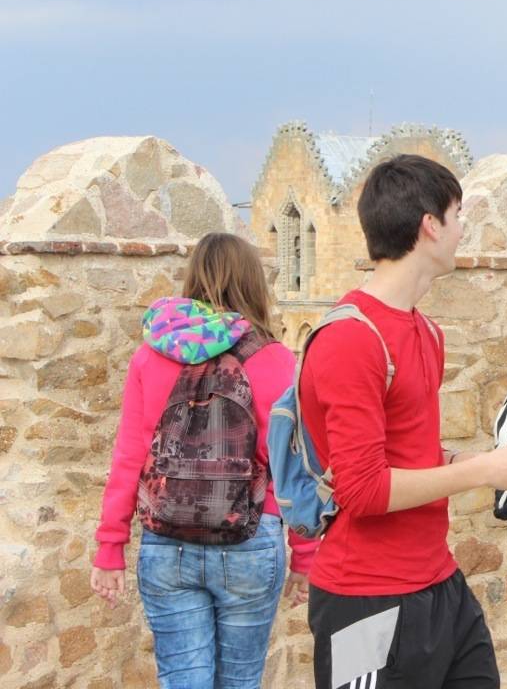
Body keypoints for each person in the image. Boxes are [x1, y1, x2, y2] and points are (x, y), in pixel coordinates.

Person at [299, 154, 507, 689]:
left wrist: (488, 462)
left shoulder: (427, 333)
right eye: (458, 214)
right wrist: (483, 471)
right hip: (363, 599)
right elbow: (364, 490)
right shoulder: (351, 340)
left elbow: (409, 453)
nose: (463, 228)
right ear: (430, 226)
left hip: (439, 585)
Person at [91, 232, 318, 687]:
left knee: (182, 679)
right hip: (251, 540)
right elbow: (293, 464)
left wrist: (110, 546)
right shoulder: (273, 359)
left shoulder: (149, 356)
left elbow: (130, 456)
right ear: (253, 283)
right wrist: (305, 555)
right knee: (239, 681)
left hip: (166, 540)